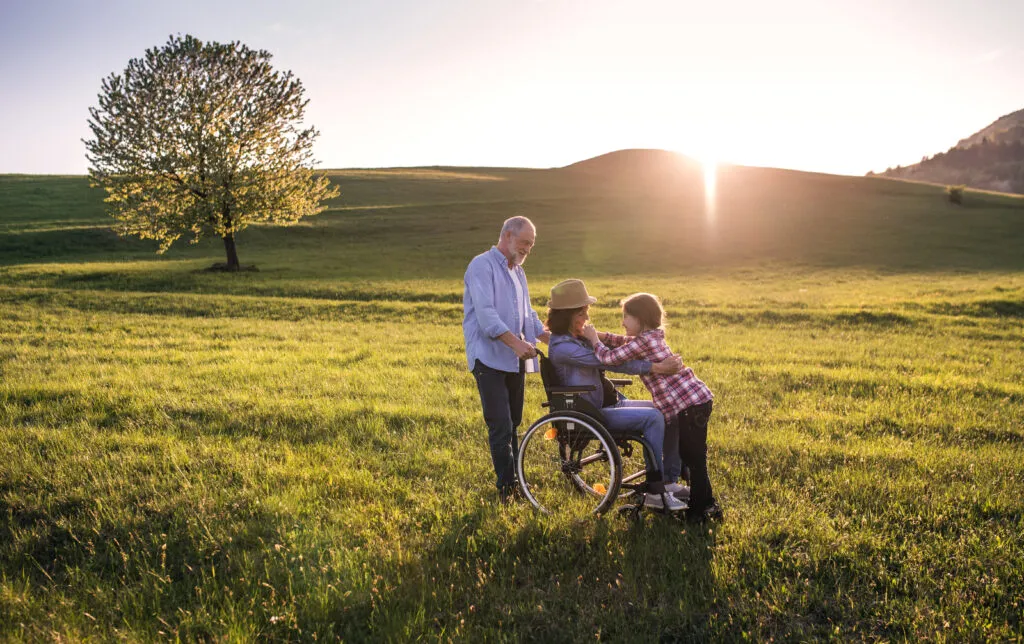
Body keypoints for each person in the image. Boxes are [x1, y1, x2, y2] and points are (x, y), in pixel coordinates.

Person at [546, 279, 686, 512]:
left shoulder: (576, 339)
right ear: (570, 314)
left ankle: (669, 481)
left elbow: (615, 349)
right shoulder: (562, 347)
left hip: (601, 404)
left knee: (664, 409)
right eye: (583, 312)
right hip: (590, 414)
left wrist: (596, 337)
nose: (587, 317)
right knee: (653, 418)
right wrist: (657, 367)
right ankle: (655, 489)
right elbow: (612, 362)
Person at [582, 292, 722, 523]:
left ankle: (703, 508)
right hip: (694, 401)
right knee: (692, 456)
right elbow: (623, 342)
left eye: (626, 316)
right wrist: (601, 335)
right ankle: (701, 503)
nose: (623, 322)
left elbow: (610, 358)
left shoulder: (644, 341)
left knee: (694, 458)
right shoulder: (649, 337)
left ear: (641, 319)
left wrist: (594, 341)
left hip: (691, 404)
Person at [463, 216, 549, 504]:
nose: (528, 249)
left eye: (532, 245)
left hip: (514, 361)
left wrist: (558, 341)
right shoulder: (481, 266)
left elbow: (529, 316)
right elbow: (487, 317)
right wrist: (517, 344)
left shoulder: (519, 273)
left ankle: (515, 484)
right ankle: (507, 491)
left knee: (513, 423)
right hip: (488, 359)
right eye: (525, 242)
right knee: (499, 424)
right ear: (508, 236)